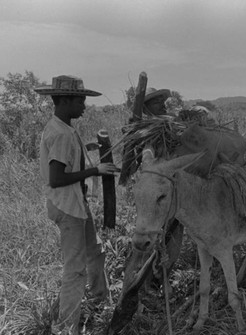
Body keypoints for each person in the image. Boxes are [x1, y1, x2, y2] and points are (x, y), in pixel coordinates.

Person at [36, 75, 120, 335]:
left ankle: (99, 300)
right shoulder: (61, 133)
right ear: (64, 100)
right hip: (68, 207)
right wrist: (95, 170)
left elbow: (67, 160)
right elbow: (57, 177)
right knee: (75, 269)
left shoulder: (63, 127)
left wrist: (89, 152)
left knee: (95, 252)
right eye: (80, 100)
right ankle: (66, 327)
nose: (84, 105)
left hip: (76, 204)